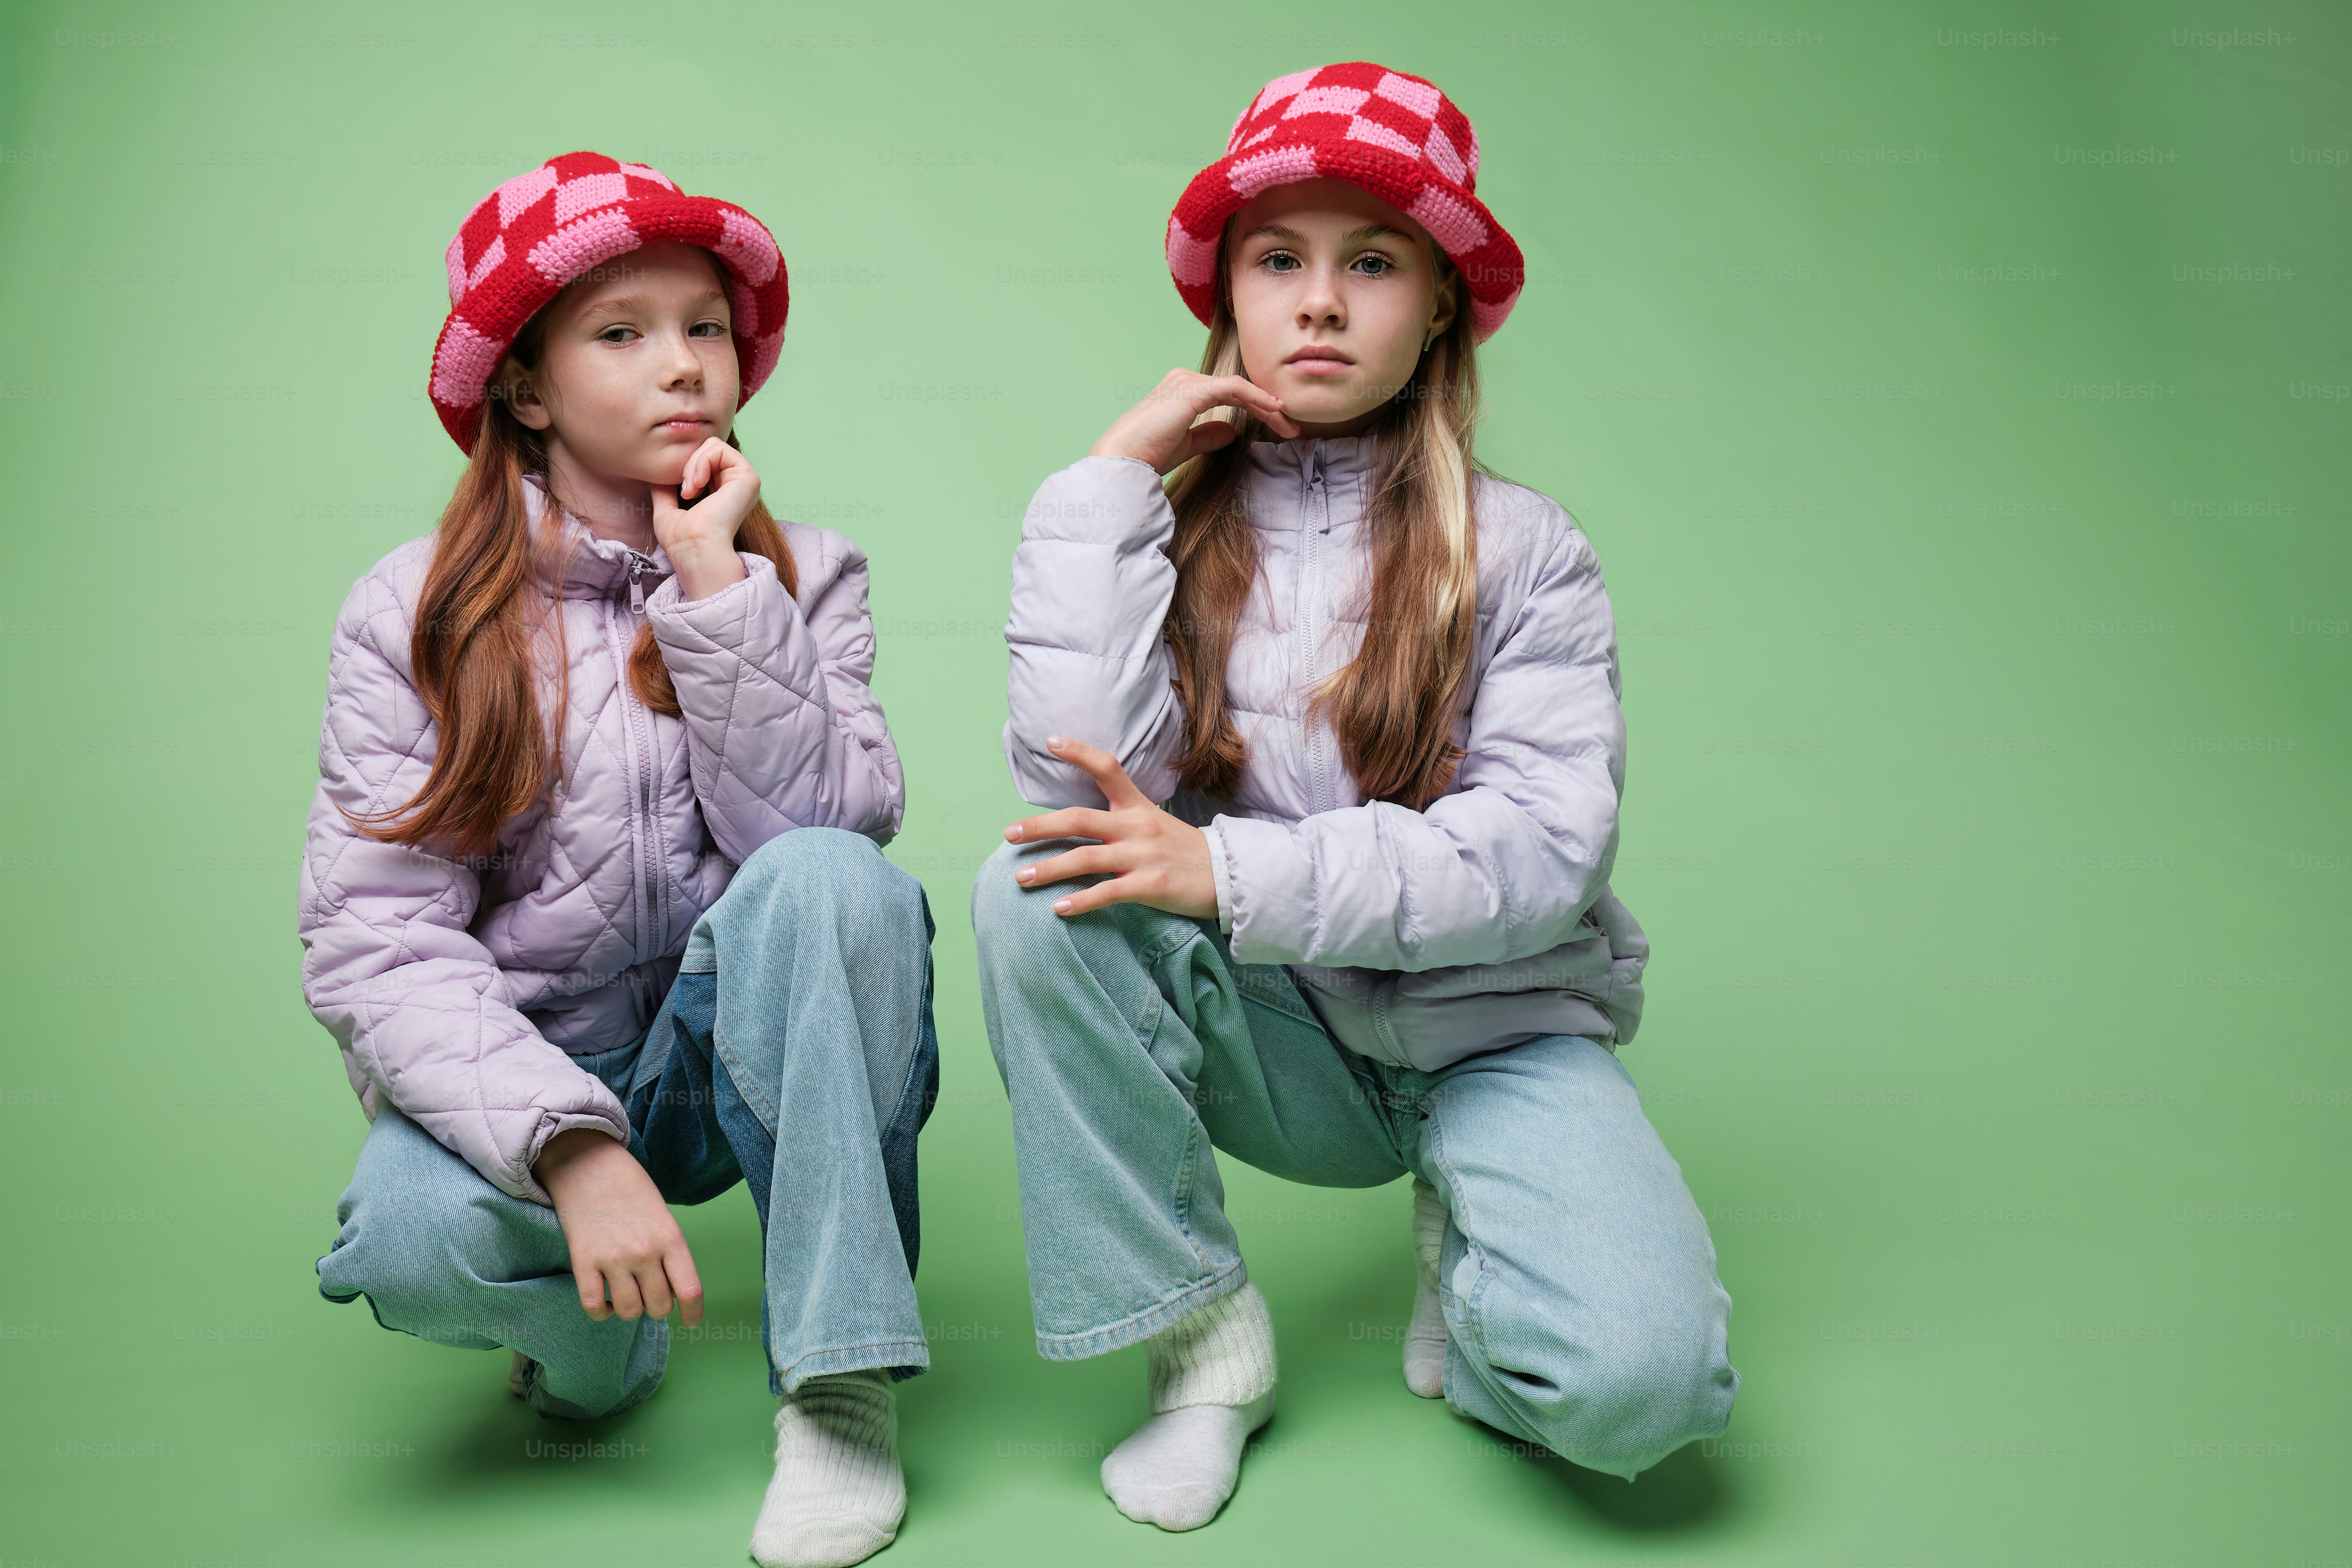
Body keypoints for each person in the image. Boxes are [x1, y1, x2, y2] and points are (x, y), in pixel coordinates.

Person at [972, 64, 1739, 1531]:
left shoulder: (1528, 550)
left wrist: (1234, 878)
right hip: (1285, 1031)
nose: (1319, 302)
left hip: (1495, 1029)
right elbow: (1079, 787)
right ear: (1234, 299)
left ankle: (1482, 1255)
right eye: (1281, 261)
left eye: (1371, 262)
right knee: (1037, 887)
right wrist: (1107, 485)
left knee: (1642, 1395)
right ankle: (1201, 1346)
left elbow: (1543, 850)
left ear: (1440, 301)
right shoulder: (1160, 526)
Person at [298, 153, 933, 1568]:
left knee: (839, 884)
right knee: (405, 1243)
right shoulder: (410, 612)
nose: (683, 366)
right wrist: (572, 1147)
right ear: (525, 386)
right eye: (622, 333)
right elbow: (375, 937)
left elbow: (825, 848)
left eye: (705, 327)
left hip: (732, 1062)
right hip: (542, 1075)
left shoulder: (805, 575)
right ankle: (602, 1349)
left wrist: (718, 588)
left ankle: (839, 1385)